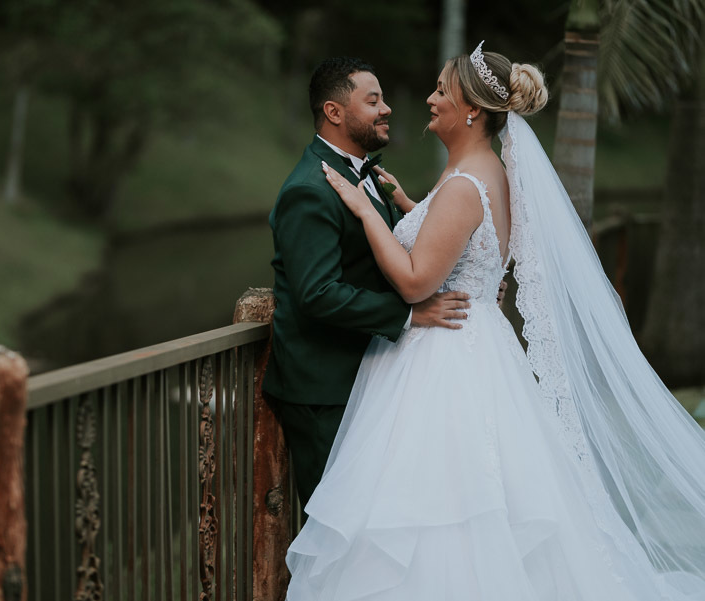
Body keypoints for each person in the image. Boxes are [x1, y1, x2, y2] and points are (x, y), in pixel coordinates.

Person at [286, 42, 705, 600]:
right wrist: (410, 207)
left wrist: (366, 211)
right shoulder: (477, 173)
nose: (429, 100)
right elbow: (462, 242)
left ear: (473, 111)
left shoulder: (464, 184)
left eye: (441, 91)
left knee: (443, 505)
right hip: (476, 340)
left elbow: (415, 281)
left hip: (446, 353)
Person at [262, 57, 479, 508]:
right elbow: (317, 294)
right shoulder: (309, 189)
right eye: (373, 100)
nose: (387, 109)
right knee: (334, 527)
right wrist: (409, 314)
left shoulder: (366, 178)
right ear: (334, 112)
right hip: (324, 389)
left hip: (370, 377)